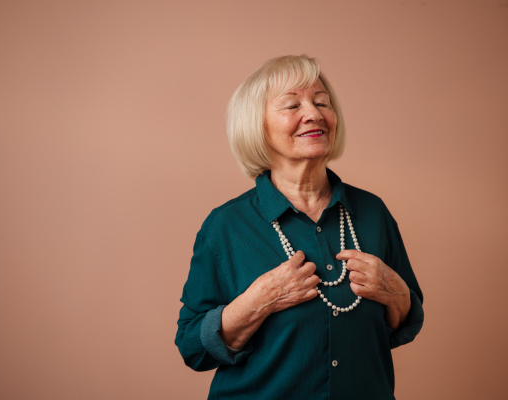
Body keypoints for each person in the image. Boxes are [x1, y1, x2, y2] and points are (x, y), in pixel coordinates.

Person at [175, 55, 424, 400]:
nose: (314, 113)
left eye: (322, 102)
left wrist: (396, 292)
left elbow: (407, 322)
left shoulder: (372, 212)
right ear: (257, 125)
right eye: (292, 105)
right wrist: (259, 301)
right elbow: (192, 348)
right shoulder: (226, 226)